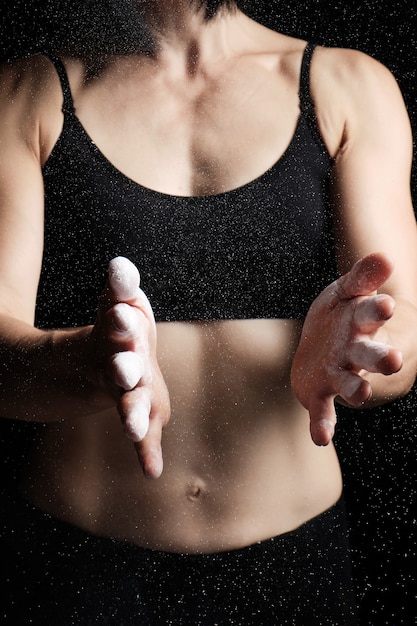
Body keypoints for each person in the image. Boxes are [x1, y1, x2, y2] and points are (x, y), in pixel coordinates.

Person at [1, 0, 417, 623]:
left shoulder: (347, 86)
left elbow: (403, 324)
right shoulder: (27, 93)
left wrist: (358, 351)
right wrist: (93, 362)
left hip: (293, 567)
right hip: (81, 566)